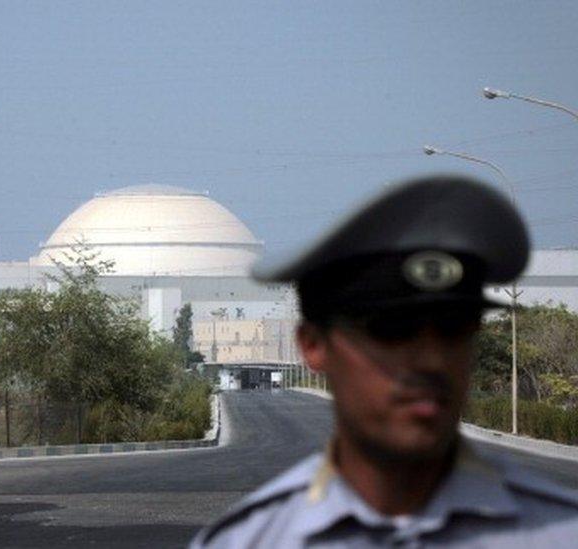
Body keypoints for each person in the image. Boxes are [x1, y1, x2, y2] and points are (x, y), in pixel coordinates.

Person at [191, 174, 578, 548]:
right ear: (313, 346)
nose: (430, 361)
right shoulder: (251, 540)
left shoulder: (559, 533)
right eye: (392, 331)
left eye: (452, 328)